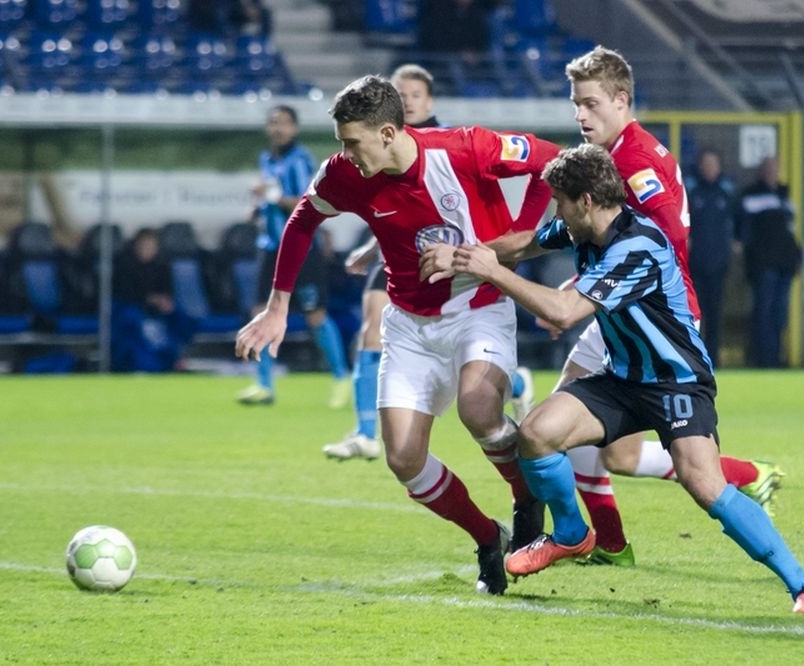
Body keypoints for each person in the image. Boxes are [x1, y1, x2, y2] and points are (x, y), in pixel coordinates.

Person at [452, 143, 804, 614]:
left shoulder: (637, 246)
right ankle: (572, 534)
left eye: (560, 201)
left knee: (704, 484)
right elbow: (526, 244)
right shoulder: (580, 227)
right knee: (536, 434)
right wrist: (461, 256)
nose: (556, 211)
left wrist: (492, 272)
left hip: (677, 382)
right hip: (621, 379)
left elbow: (564, 311)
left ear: (586, 201)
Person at [235, 75, 560, 595]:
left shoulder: (466, 148)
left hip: (478, 307)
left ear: (388, 133)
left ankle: (526, 498)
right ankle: (486, 537)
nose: (346, 154)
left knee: (479, 410)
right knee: (404, 459)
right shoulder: (345, 172)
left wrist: (515, 238)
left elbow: (552, 160)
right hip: (408, 323)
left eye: (353, 142)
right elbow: (302, 220)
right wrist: (278, 307)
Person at [548, 46, 783, 566]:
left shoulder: (635, 162)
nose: (580, 115)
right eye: (576, 104)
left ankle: (611, 540)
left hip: (650, 315)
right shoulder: (615, 155)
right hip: (624, 307)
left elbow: (667, 238)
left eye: (590, 103)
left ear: (621, 100)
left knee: (565, 424)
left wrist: (589, 287)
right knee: (609, 447)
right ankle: (619, 538)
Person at [322, 63, 535, 461]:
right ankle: (365, 432)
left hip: (456, 266)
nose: (408, 101)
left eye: (415, 95)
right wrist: (372, 247)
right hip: (399, 256)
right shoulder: (371, 150)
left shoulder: (451, 143)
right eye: (401, 94)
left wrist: (508, 243)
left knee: (471, 390)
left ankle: (516, 385)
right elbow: (394, 210)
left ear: (430, 102)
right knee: (371, 327)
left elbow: (442, 205)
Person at [235, 105, 351, 407]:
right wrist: (258, 208)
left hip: (302, 249)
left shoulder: (301, 160)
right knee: (260, 311)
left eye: (284, 123)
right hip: (269, 247)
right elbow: (272, 201)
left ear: (294, 128)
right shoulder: (267, 159)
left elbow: (306, 201)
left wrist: (270, 196)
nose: (278, 128)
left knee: (315, 315)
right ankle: (264, 384)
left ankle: (341, 378)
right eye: (273, 122)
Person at [734, 155, 802, 368]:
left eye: (775, 168)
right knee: (764, 311)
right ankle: (763, 359)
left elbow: (790, 231)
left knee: (779, 313)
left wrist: (795, 257)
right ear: (761, 171)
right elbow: (745, 231)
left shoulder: (785, 196)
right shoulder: (750, 196)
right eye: (769, 168)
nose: (772, 172)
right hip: (763, 264)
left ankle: (776, 356)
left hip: (784, 264)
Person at [111, 228, 196, 372]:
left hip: (156, 312)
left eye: (150, 246)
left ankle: (176, 356)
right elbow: (123, 293)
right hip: (131, 311)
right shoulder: (123, 266)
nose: (146, 249)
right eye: (143, 245)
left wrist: (165, 303)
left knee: (182, 318)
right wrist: (150, 299)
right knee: (132, 321)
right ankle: (146, 363)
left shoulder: (162, 267)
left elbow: (167, 292)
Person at [686, 148, 735, 368]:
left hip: (718, 265)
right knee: (693, 315)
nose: (709, 168)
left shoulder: (726, 193)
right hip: (694, 266)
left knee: (715, 315)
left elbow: (738, 221)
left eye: (713, 164)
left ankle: (712, 360)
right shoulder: (691, 192)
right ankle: (694, 359)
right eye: (706, 164)